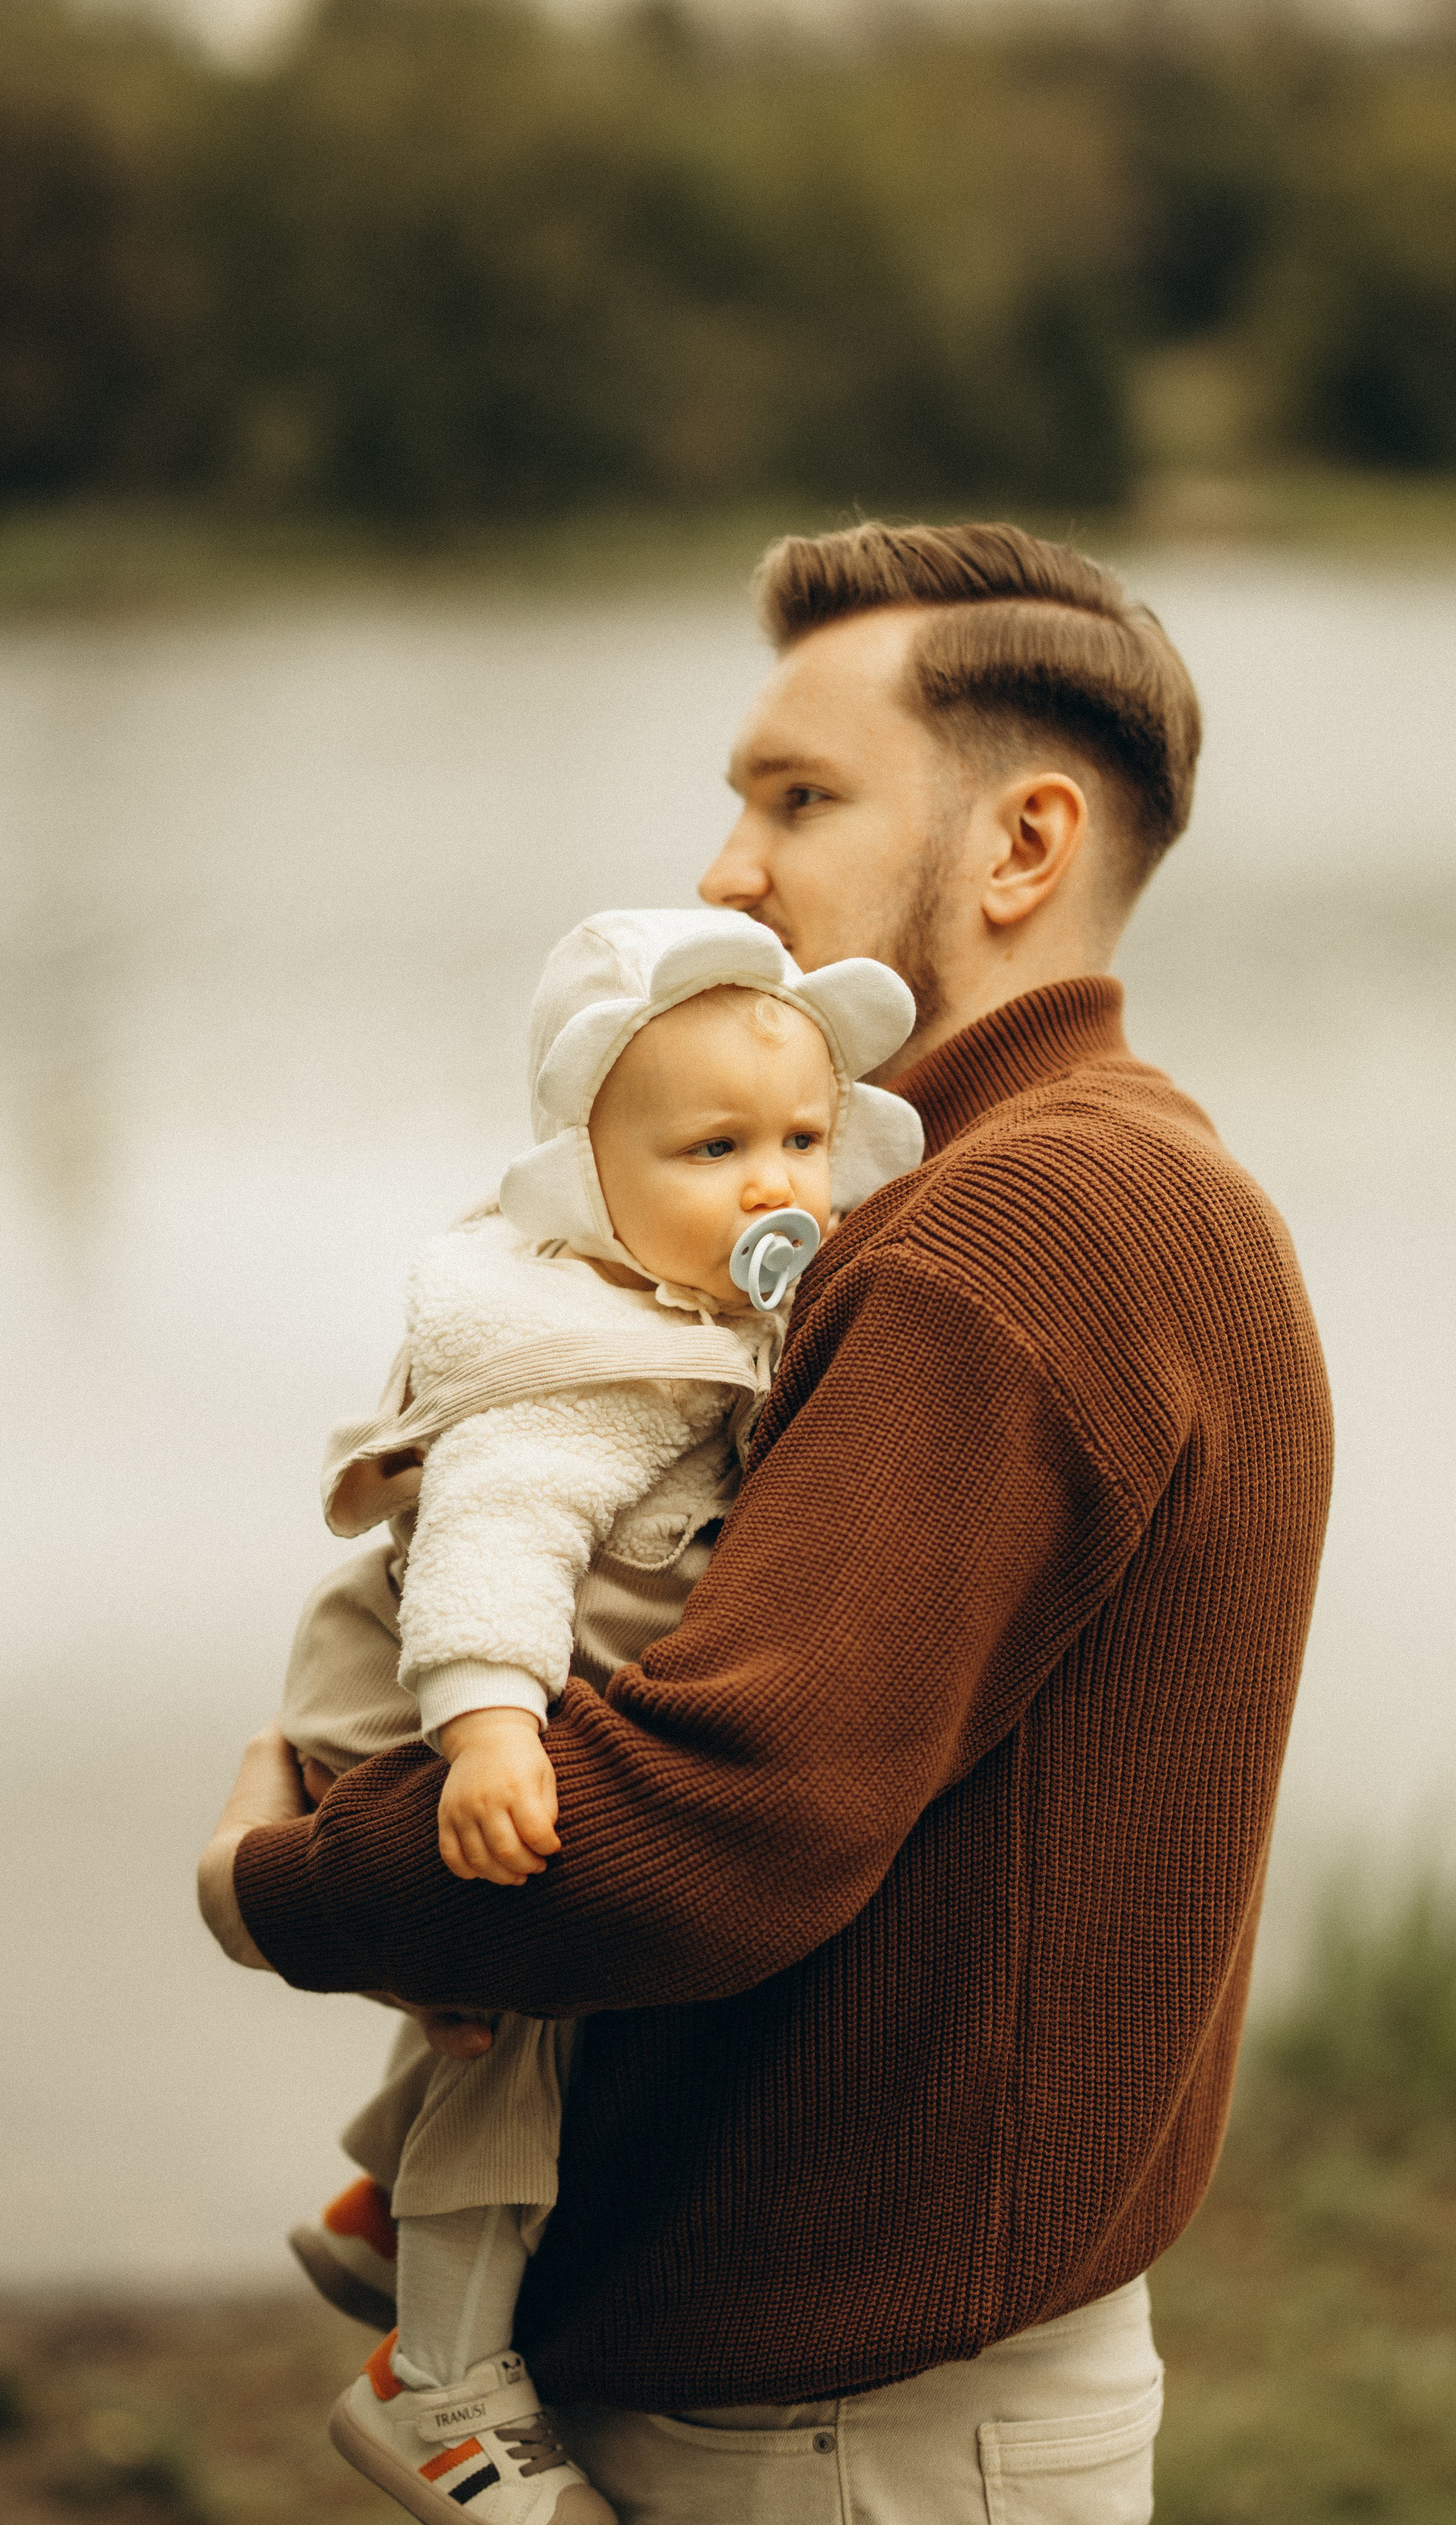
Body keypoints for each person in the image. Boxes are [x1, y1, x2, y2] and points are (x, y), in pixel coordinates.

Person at [200, 519, 1333, 2525]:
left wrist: (281, 1870)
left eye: (797, 797)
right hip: (896, 2394)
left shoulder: (1019, 1227)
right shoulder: (1088, 1178)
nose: (728, 867)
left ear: (1020, 846)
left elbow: (709, 1839)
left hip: (845, 2435)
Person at [271, 906, 921, 2525]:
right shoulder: (582, 1355)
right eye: (711, 1148)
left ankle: (377, 2204)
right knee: (524, 2013)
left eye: (797, 1139)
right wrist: (486, 1724)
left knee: (514, 2028)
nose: (772, 1183)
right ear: (592, 1179)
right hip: (454, 1706)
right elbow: (497, 1536)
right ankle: (435, 2391)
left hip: (513, 1691)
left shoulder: (705, 1311)